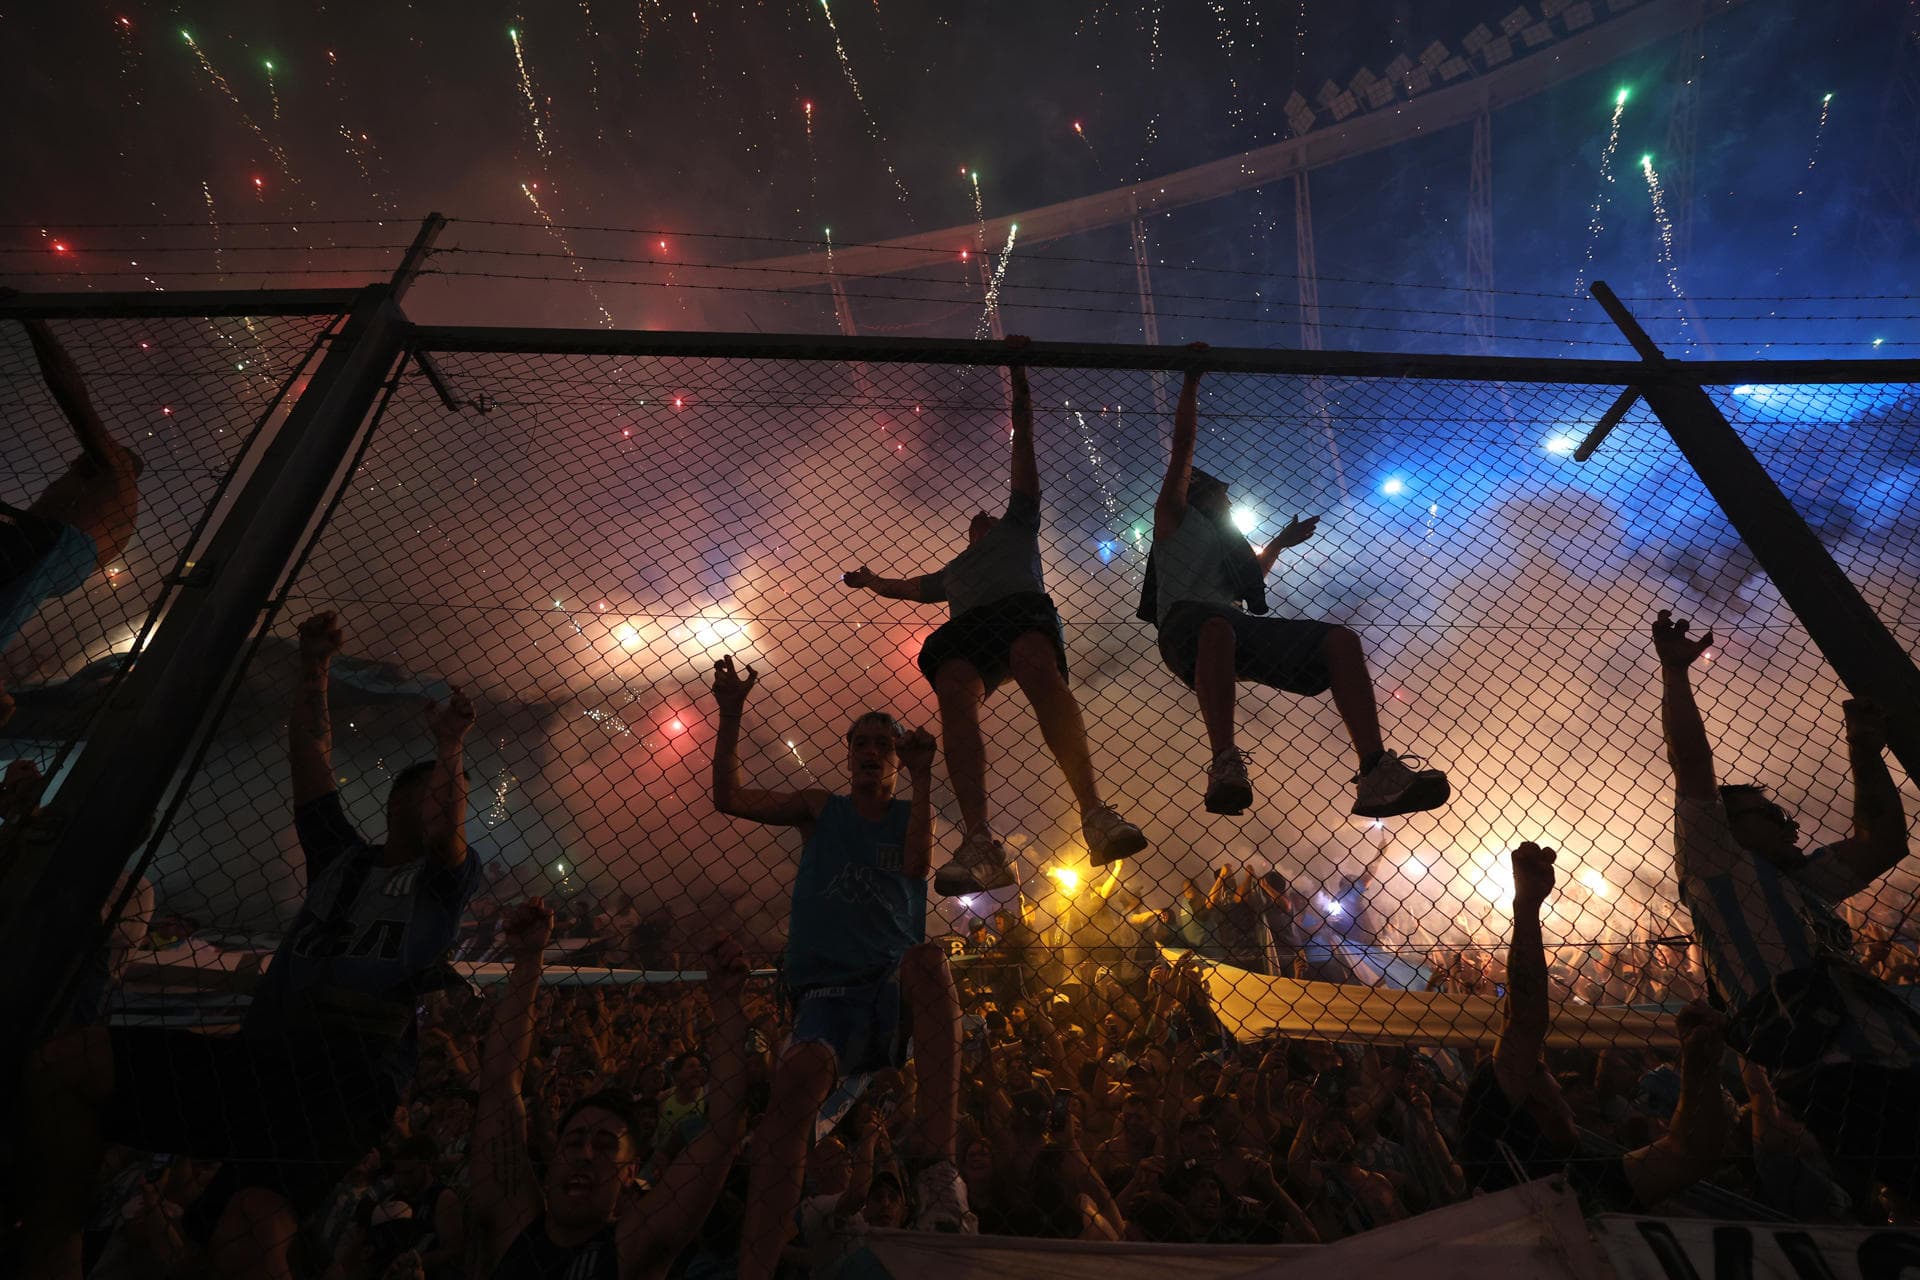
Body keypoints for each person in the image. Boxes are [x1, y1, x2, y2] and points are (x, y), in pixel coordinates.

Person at [15, 609, 481, 1280]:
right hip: (259, 1060)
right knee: (67, 1064)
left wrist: (452, 750)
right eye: (437, 789)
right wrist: (314, 665)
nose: (448, 803)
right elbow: (310, 755)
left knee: (249, 1232)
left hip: (343, 1087)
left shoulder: (444, 884)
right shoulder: (340, 858)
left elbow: (446, 832)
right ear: (396, 803)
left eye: (453, 794)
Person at [843, 335, 1146, 894]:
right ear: (968, 534)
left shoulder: (1018, 524)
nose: (982, 514)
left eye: (988, 513)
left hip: (1019, 614)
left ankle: (1094, 812)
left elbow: (1022, 450)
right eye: (975, 518)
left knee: (1033, 662)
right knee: (953, 686)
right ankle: (980, 839)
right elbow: (907, 589)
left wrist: (1019, 374)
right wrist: (871, 581)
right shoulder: (955, 570)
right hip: (969, 632)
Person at [708, 655, 972, 1280]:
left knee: (930, 959)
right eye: (863, 742)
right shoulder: (819, 809)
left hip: (886, 985)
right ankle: (758, 1265)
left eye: (884, 743)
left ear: (896, 758)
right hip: (824, 994)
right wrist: (731, 713)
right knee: (795, 1082)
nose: (873, 751)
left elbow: (916, 868)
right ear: (848, 753)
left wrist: (924, 778)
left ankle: (937, 1167)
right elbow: (729, 797)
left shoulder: (910, 814)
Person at [1652, 608, 1920, 1204]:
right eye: (1770, 815)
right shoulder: (1720, 868)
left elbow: (1883, 842)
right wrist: (1675, 672)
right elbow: (1692, 764)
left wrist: (1864, 750)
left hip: (1895, 1052)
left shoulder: (1802, 883)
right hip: (1837, 1071)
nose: (1788, 826)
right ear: (1727, 826)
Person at [1141, 349, 1448, 819]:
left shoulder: (1226, 546)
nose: (1229, 502)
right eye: (1222, 495)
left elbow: (1242, 587)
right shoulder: (1174, 518)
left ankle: (1375, 769)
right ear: (1200, 495)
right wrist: (1191, 380)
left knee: (1339, 640)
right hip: (1187, 627)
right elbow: (1183, 446)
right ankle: (1224, 762)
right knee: (1215, 627)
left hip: (1230, 625)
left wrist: (1278, 545)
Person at [469, 898, 753, 1280]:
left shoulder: (631, 1251)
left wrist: (727, 1005)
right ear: (553, 1157)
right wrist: (527, 962)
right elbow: (499, 1088)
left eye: (605, 1145)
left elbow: (722, 1133)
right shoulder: (515, 1228)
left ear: (631, 1172)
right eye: (574, 1142)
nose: (585, 1155)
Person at [1456, 842, 1732, 1211]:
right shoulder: (1496, 1151)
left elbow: (1689, 1155)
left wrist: (1700, 1065)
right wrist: (1526, 907)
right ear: (1526, 1095)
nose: (1569, 1107)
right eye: (1556, 1093)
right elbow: (1524, 1022)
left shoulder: (1586, 1175)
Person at [2, 314, 143, 718]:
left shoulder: (114, 467)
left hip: (60, 546)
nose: (72, 463)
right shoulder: (108, 501)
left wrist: (36, 324)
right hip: (62, 557)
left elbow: (74, 397)